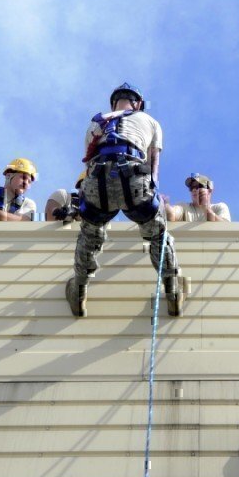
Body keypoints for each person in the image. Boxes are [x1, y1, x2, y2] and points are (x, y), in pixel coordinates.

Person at [67, 82, 185, 317]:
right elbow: (154, 161)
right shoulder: (150, 121)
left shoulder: (98, 120)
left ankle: (80, 286)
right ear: (139, 103)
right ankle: (171, 287)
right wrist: (153, 188)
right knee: (158, 235)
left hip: (98, 180)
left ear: (114, 102)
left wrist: (85, 200)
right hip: (133, 177)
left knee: (90, 235)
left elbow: (88, 160)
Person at [164, 173, 231, 221]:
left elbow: (225, 227)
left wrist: (206, 208)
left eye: (199, 186)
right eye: (192, 188)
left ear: (210, 190)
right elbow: (171, 214)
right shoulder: (184, 207)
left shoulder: (220, 207)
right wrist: (165, 206)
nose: (195, 190)